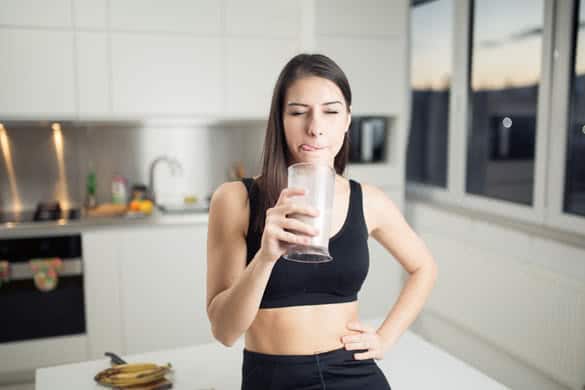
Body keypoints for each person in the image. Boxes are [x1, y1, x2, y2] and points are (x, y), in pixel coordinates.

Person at [206, 53, 437, 389]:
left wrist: (385, 338)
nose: (315, 127)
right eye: (298, 112)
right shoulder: (235, 200)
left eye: (331, 111)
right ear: (280, 120)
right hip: (271, 377)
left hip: (353, 372)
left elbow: (424, 268)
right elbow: (225, 332)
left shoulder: (368, 199)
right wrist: (266, 257)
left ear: (347, 120)